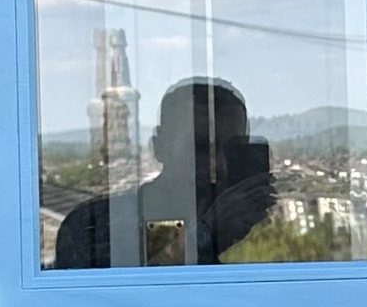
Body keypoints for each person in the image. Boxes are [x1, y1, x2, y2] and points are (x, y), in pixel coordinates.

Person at [52, 76, 275, 267]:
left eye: (232, 149)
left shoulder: (259, 223)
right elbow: (127, 303)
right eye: (200, 148)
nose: (218, 165)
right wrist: (208, 235)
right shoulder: (97, 224)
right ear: (159, 147)